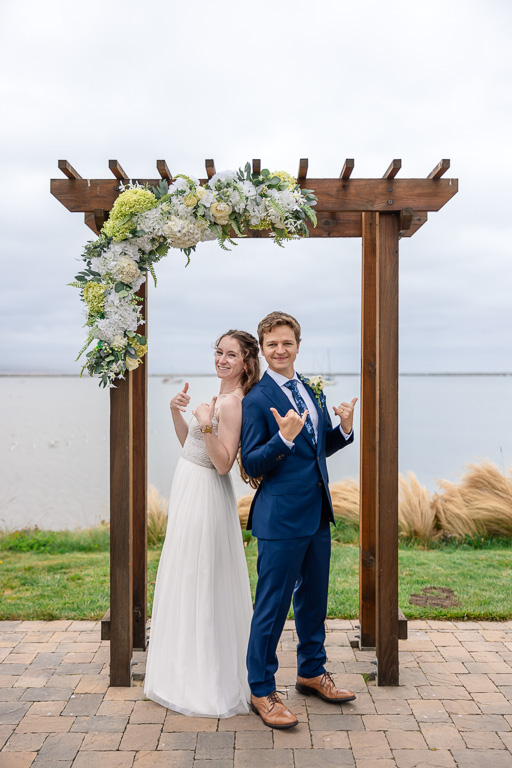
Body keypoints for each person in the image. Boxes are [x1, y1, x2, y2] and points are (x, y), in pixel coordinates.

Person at [241, 311, 358, 729]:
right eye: (272, 344)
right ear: (263, 347)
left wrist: (343, 429)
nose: (280, 350)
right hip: (279, 521)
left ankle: (311, 671)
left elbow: (318, 447)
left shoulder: (311, 388)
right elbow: (252, 462)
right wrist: (283, 438)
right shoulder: (254, 399)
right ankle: (261, 689)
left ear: (297, 345)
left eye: (287, 342)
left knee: (314, 602)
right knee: (271, 609)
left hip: (317, 514)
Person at [144, 330, 260, 718]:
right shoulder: (217, 398)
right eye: (218, 352)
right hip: (190, 486)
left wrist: (208, 423)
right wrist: (178, 413)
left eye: (231, 355)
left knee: (202, 576)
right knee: (187, 574)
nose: (222, 359)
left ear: (246, 362)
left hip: (207, 493)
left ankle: (207, 676)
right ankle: (184, 665)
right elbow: (191, 447)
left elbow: (224, 462)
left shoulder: (233, 402)